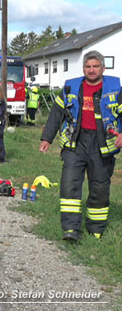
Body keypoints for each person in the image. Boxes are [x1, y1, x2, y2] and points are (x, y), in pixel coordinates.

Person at [40, 50, 122, 242]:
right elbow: (56, 114)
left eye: (95, 66)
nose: (91, 70)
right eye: (88, 66)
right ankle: (71, 229)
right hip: (75, 143)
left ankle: (95, 231)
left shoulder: (116, 88)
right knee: (69, 185)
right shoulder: (71, 87)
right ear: (83, 68)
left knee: (99, 188)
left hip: (102, 145)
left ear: (103, 68)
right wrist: (46, 139)